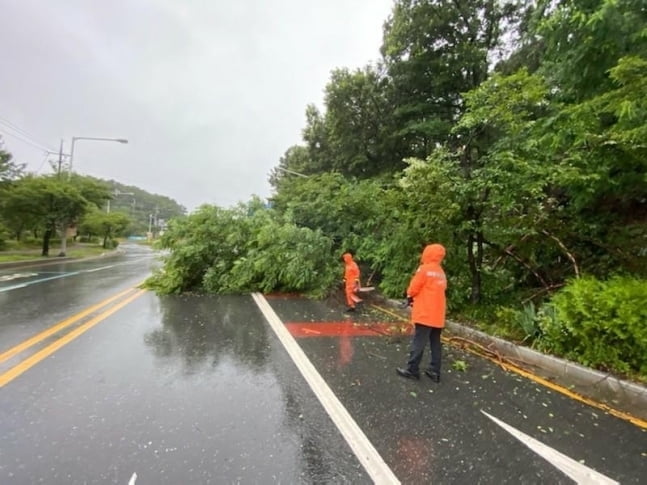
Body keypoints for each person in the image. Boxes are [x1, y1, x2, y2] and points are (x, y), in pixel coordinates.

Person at [396, 243, 447, 382]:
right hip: (438, 314)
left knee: (419, 342)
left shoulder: (424, 269)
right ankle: (434, 371)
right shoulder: (441, 272)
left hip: (425, 313)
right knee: (435, 342)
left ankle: (412, 370)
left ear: (427, 253)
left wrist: (409, 296)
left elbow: (414, 287)